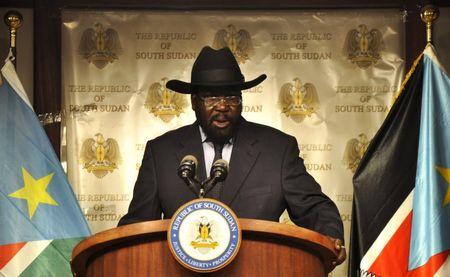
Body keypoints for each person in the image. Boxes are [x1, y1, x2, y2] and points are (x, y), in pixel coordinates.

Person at [118, 46, 346, 266]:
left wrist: (330, 237)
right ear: (194, 102)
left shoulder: (277, 149)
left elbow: (315, 208)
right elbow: (137, 225)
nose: (223, 106)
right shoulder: (161, 152)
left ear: (242, 101)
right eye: (211, 98)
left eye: (232, 97)